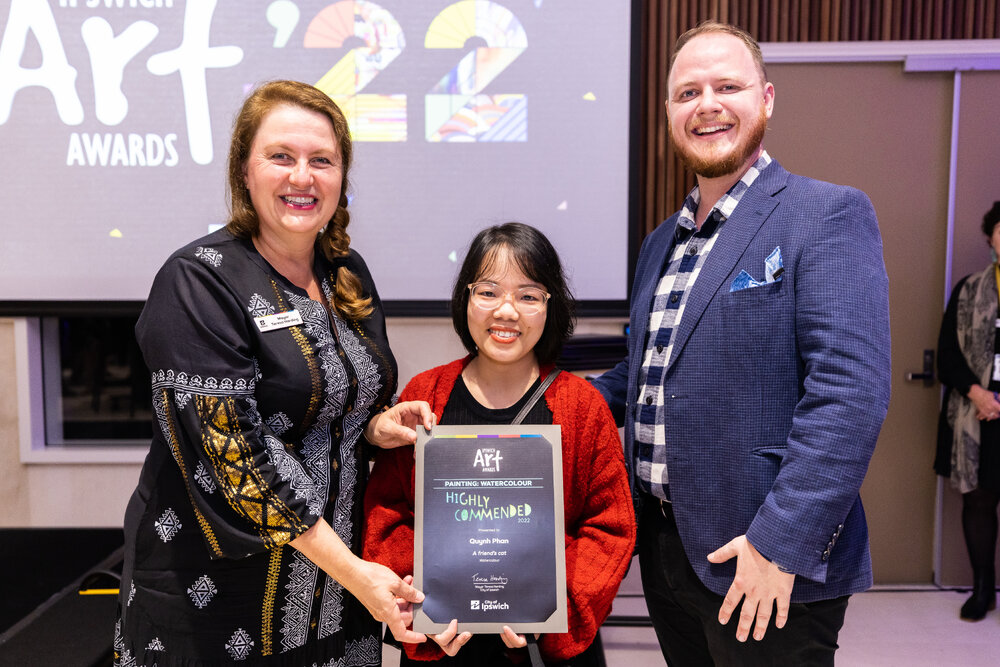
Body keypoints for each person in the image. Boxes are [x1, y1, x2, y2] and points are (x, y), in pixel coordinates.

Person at [591, 21, 891, 666]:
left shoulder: (826, 213)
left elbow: (850, 395)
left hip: (760, 554)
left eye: (728, 86)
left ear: (768, 98)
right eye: (687, 92)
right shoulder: (659, 244)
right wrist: (519, 403)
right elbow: (643, 375)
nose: (707, 105)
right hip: (668, 547)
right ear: (669, 111)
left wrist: (779, 545)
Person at [113, 80, 434, 666]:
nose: (302, 177)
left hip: (336, 601)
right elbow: (235, 454)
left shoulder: (345, 271)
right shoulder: (198, 279)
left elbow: (312, 407)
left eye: (322, 160)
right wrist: (357, 572)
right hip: (217, 600)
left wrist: (370, 427)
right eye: (280, 157)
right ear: (244, 170)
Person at [363, 222, 636, 666]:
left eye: (528, 296)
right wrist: (420, 610)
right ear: (466, 299)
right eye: (488, 292)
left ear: (550, 307)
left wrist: (552, 612)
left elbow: (611, 526)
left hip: (547, 649)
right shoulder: (425, 396)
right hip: (446, 645)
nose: (506, 311)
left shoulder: (582, 407)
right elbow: (387, 514)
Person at [935, 201, 1000, 621]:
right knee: (978, 502)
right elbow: (948, 355)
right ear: (991, 237)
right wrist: (977, 394)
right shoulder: (968, 289)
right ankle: (982, 589)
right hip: (979, 415)